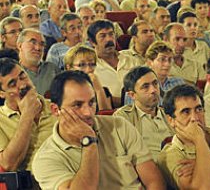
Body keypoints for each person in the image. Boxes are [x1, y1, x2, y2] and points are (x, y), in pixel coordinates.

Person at [32, 70, 166, 189]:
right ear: (56, 110)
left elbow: (154, 181)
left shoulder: (119, 126)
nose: (88, 112)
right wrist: (89, 142)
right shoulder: (46, 158)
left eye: (91, 102)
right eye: (77, 105)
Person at [0, 58, 56, 172]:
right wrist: (27, 114)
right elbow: (8, 165)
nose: (22, 85)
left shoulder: (57, 107)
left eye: (22, 76)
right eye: (12, 84)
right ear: (2, 93)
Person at [114, 66, 174, 158]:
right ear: (132, 95)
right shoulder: (123, 117)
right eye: (145, 87)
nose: (153, 90)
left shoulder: (170, 113)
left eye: (155, 84)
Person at [88, 20, 141, 106]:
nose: (109, 39)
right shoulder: (90, 67)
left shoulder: (132, 59)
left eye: (111, 34)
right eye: (103, 36)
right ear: (92, 42)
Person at [64, 44, 112, 110]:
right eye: (82, 65)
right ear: (69, 67)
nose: (89, 69)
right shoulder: (63, 92)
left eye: (92, 64)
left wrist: (99, 90)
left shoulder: (103, 91)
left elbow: (107, 117)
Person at [17, 29, 60, 96]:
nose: (38, 48)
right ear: (20, 46)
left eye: (42, 44)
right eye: (33, 42)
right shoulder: (13, 73)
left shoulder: (53, 69)